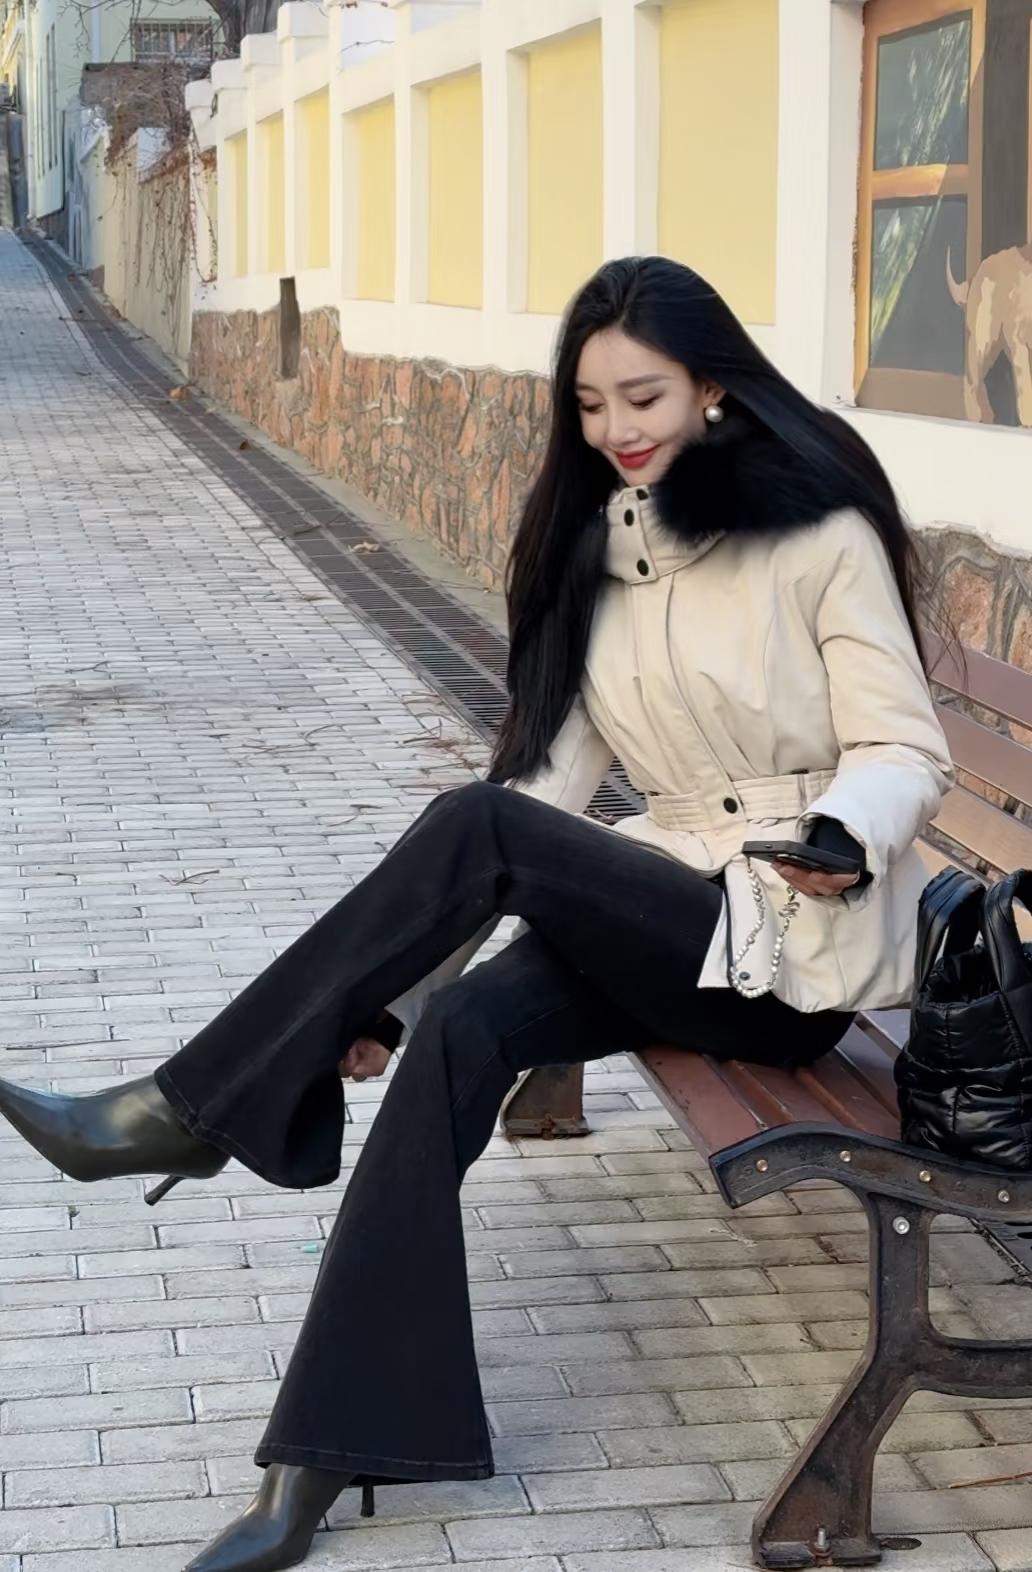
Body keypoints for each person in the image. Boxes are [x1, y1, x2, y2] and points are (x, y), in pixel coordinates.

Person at [0, 257, 954, 1572]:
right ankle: (320, 1457)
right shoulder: (603, 556)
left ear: (714, 390)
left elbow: (903, 742)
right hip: (670, 917)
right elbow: (547, 792)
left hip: (792, 949)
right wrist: (394, 1005)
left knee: (477, 823)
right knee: (460, 1021)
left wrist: (845, 832)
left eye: (643, 398)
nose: (616, 429)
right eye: (591, 405)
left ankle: (189, 1109)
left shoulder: (821, 539)